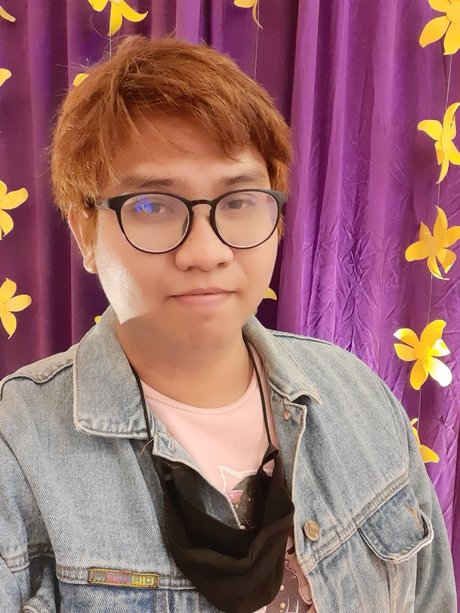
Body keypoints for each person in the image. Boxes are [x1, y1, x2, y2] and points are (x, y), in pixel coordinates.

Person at [0, 35, 456, 613]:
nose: (206, 252)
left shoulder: (358, 397)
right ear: (84, 230)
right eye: (152, 206)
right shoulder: (17, 453)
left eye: (238, 201)